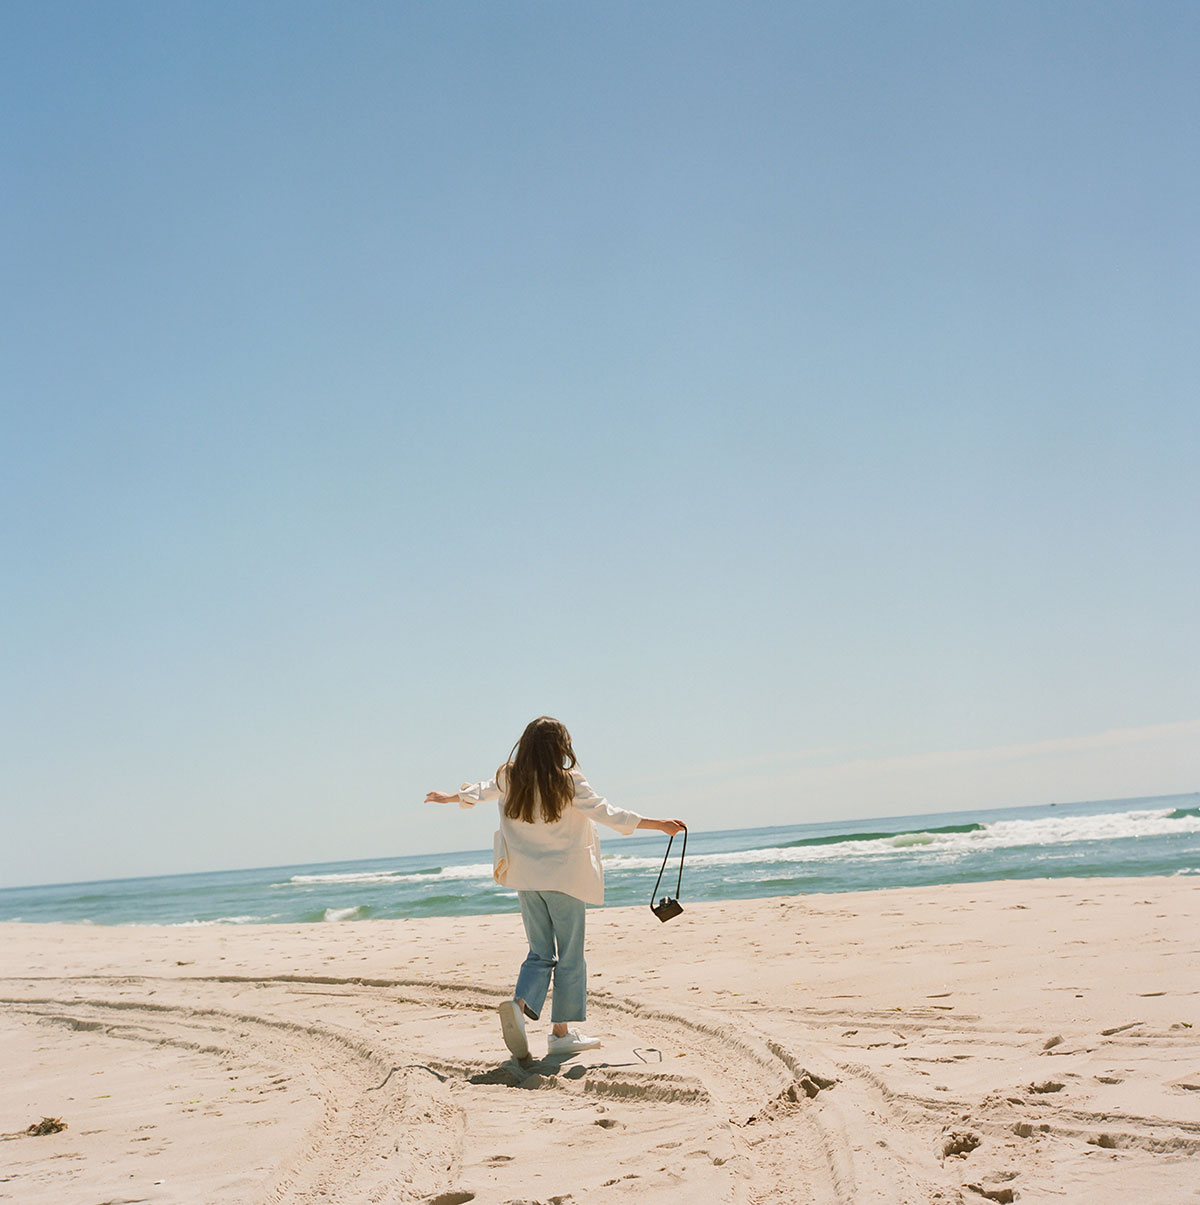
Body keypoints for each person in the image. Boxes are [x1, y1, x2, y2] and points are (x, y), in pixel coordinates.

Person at [425, 716, 685, 1061]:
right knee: (570, 956)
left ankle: (519, 1007)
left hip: (526, 880)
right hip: (565, 880)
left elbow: (480, 791)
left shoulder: (509, 776)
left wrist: (447, 798)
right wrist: (658, 824)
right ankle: (560, 1033)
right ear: (560, 747)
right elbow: (609, 813)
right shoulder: (568, 782)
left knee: (539, 952)